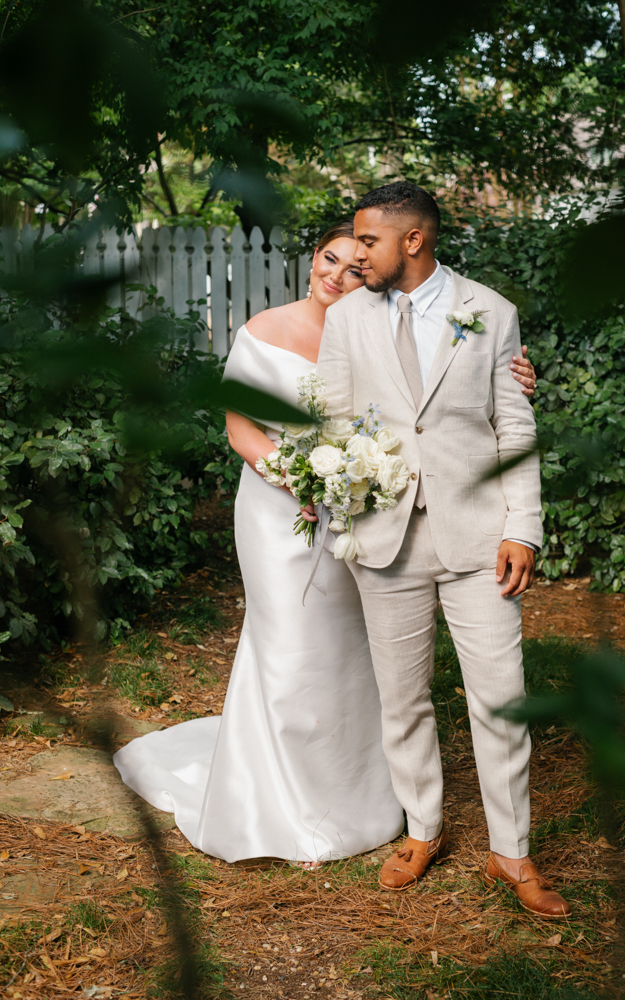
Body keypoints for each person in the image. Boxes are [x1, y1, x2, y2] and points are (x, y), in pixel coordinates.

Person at [113, 219, 538, 867]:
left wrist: (513, 378)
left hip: (366, 511)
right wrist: (297, 477)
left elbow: (429, 397)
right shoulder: (264, 332)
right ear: (312, 260)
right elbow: (240, 425)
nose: (337, 274)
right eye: (328, 260)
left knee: (354, 656)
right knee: (286, 645)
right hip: (279, 510)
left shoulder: (374, 321)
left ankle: (359, 794)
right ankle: (277, 802)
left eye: (353, 264)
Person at [317, 184, 570, 918]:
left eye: (368, 242)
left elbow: (513, 429)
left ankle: (510, 852)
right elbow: (330, 420)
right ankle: (423, 828)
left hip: (477, 539)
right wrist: (333, 490)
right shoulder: (347, 320)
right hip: (383, 536)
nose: (354, 255)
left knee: (501, 699)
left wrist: (522, 527)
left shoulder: (490, 312)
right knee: (402, 699)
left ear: (414, 241)